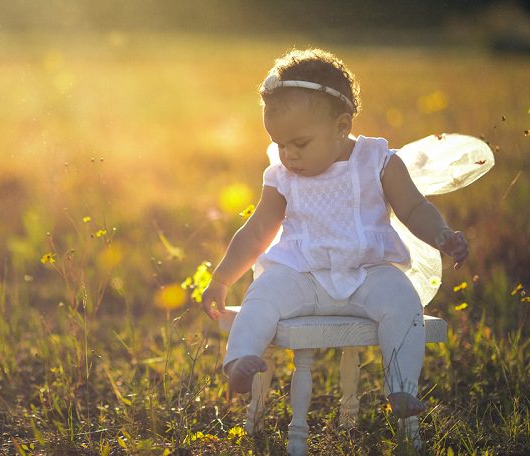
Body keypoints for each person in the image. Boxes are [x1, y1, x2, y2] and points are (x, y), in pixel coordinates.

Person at [201, 48, 469, 419]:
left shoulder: (378, 161)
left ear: (342, 126)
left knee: (403, 302)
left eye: (300, 143)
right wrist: (222, 277)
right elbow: (257, 230)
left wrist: (441, 233)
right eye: (279, 144)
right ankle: (241, 358)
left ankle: (402, 388)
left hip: (367, 273)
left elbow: (413, 208)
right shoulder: (281, 176)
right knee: (262, 295)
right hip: (303, 275)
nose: (288, 155)